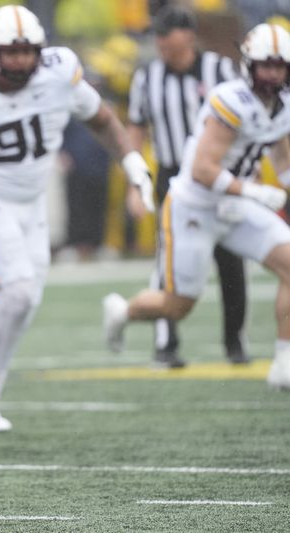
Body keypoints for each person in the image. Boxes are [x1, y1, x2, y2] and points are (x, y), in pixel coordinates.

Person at [0, 5, 154, 432]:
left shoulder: (59, 72)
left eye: (28, 51)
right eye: (12, 53)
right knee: (17, 295)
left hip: (31, 202)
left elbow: (101, 119)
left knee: (21, 305)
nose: (21, 61)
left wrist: (132, 162)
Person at [103, 23, 290, 389]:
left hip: (235, 206)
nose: (272, 74)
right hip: (195, 206)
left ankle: (284, 362)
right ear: (249, 65)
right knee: (178, 305)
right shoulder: (232, 99)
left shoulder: (283, 104)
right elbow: (203, 170)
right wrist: (257, 193)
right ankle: (123, 311)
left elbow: (282, 156)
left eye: (279, 66)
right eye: (265, 65)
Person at [127, 5, 246, 368]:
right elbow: (136, 129)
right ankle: (166, 343)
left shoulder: (220, 71)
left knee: (230, 260)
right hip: (171, 174)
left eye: (169, 37)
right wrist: (136, 182)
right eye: (159, 37)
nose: (163, 43)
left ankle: (234, 343)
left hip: (216, 175)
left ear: (190, 36)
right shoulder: (147, 78)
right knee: (168, 263)